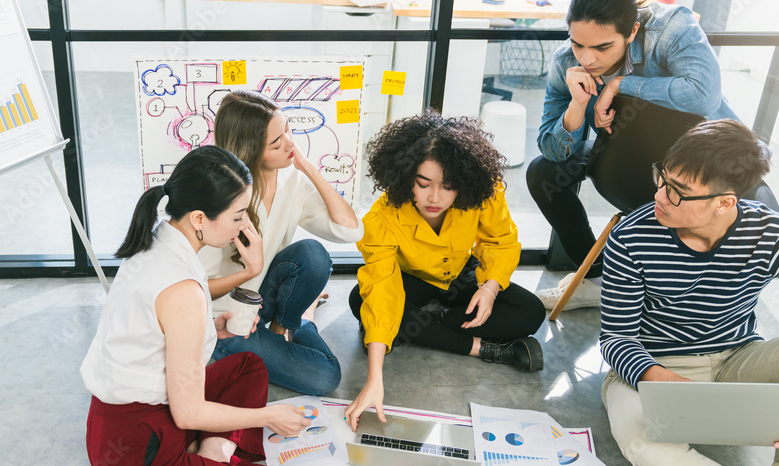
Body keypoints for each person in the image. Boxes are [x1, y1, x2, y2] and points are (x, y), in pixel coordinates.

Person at [528, 0, 779, 312]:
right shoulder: (567, 60)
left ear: (632, 30)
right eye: (578, 43)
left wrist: (621, 85)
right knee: (542, 173)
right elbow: (552, 150)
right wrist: (577, 106)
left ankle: (705, 307)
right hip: (627, 167)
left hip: (706, 169)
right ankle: (599, 277)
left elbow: (703, 95)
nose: (588, 58)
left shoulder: (671, 27)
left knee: (764, 215)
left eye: (603, 47)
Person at [599, 119, 779, 465]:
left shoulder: (772, 233)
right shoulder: (631, 237)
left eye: (678, 191)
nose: (659, 195)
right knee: (644, 442)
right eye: (663, 177)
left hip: (739, 358)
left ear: (724, 202)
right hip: (656, 364)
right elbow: (616, 338)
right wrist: (660, 379)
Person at [80, 146, 310, 466]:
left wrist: (208, 328)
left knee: (248, 367)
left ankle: (211, 452)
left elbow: (159, 318)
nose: (244, 225)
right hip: (137, 443)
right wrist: (269, 415)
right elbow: (188, 414)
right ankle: (210, 453)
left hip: (121, 416)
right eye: (237, 216)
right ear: (200, 218)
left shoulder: (158, 236)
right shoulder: (182, 289)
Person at [344, 110, 547, 431]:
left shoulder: (486, 193)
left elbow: (501, 241)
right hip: (410, 280)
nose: (435, 197)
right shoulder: (382, 218)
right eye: (423, 184)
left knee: (532, 311)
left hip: (463, 276)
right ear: (405, 176)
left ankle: (423, 324)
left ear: (464, 183)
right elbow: (382, 290)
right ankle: (488, 349)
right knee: (361, 300)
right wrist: (374, 380)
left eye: (448, 186)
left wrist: (490, 288)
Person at [199, 90, 363, 396]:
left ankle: (285, 324)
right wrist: (249, 275)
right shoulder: (219, 198)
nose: (290, 144)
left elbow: (350, 231)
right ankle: (304, 320)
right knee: (325, 376)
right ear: (250, 151)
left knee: (313, 255)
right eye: (277, 142)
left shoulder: (292, 180)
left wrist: (308, 169)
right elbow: (200, 289)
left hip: (261, 300)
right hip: (226, 322)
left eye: (288, 129)